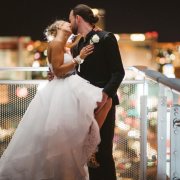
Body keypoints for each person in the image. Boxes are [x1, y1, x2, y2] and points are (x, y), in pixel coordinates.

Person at [0, 20, 112, 180]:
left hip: (67, 87)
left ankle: (86, 143)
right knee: (63, 131)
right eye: (66, 24)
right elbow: (58, 71)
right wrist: (78, 58)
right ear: (59, 27)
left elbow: (72, 45)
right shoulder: (55, 44)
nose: (70, 25)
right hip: (61, 89)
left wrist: (90, 32)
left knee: (103, 103)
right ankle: (86, 146)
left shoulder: (63, 44)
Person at [69, 4, 125, 180]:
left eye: (70, 18)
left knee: (103, 153)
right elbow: (74, 71)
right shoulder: (77, 45)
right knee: (85, 153)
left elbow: (118, 72)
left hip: (103, 104)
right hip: (82, 105)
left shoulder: (106, 38)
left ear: (78, 18)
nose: (69, 22)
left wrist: (105, 95)